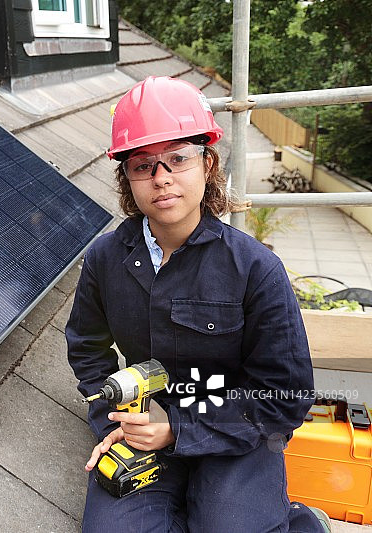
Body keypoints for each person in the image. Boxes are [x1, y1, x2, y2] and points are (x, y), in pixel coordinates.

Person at [65, 76, 329, 532]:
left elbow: (287, 396)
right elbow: (88, 348)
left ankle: (300, 523)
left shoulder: (254, 268)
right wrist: (116, 418)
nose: (161, 178)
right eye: (143, 164)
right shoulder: (106, 259)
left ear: (207, 164)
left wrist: (180, 430)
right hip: (145, 431)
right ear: (127, 177)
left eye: (177, 158)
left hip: (236, 431)